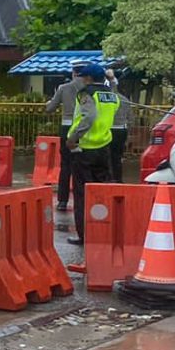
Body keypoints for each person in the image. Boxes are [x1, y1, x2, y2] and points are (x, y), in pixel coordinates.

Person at [64, 63, 119, 246]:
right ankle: (105, 232)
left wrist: (73, 137)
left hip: (85, 149)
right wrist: (112, 81)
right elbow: (114, 105)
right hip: (103, 147)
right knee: (102, 191)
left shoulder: (87, 93)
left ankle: (84, 235)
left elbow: (88, 117)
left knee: (82, 194)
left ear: (87, 78)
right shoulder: (111, 95)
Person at [45, 63, 84, 211]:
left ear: (73, 72)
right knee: (81, 165)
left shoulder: (63, 88)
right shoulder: (89, 89)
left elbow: (50, 108)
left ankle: (62, 201)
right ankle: (81, 198)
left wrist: (49, 102)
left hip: (67, 127)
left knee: (66, 165)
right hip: (84, 129)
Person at [106, 69, 132, 182]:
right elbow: (131, 118)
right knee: (117, 157)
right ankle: (118, 179)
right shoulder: (125, 99)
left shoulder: (105, 98)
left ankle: (108, 178)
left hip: (108, 130)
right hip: (121, 130)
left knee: (107, 156)